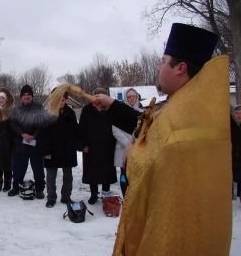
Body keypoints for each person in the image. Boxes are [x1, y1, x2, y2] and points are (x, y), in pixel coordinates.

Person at [93, 23, 232, 255]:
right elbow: (150, 125)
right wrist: (113, 106)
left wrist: (132, 153)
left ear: (180, 68)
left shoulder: (184, 117)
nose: (158, 68)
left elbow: (153, 157)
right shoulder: (188, 105)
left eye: (163, 61)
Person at [8, 84, 54, 198]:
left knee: (38, 168)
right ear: (21, 97)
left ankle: (39, 189)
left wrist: (34, 136)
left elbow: (43, 123)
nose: (26, 97)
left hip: (35, 144)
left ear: (32, 96)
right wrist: (23, 134)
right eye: (24, 95)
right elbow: (12, 123)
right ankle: (15, 186)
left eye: (29, 95)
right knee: (18, 167)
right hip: (20, 143)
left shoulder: (39, 108)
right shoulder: (16, 110)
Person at [38, 90, 79, 208]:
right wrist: (46, 151)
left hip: (67, 150)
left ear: (65, 100)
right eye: (58, 100)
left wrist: (77, 144)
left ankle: (66, 197)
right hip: (52, 150)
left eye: (63, 100)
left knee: (68, 176)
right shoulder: (48, 114)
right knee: (51, 176)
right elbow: (42, 135)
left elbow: (75, 130)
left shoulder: (70, 113)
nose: (61, 102)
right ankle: (51, 197)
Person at [79, 88, 117, 205]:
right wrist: (83, 144)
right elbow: (81, 128)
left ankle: (106, 192)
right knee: (92, 170)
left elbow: (116, 127)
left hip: (108, 145)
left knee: (107, 169)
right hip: (91, 146)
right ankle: (93, 194)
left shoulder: (110, 109)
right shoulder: (87, 110)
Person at [112, 88, 143, 197]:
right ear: (126, 98)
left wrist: (137, 142)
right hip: (123, 148)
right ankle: (126, 196)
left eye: (134, 96)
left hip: (138, 148)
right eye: (129, 97)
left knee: (137, 173)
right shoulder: (120, 112)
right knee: (124, 174)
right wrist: (127, 143)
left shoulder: (141, 113)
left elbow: (146, 130)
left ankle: (136, 197)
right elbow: (115, 129)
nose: (132, 99)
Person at [231, 104, 241, 201]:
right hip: (233, 158)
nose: (239, 115)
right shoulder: (231, 128)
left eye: (240, 113)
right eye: (237, 113)